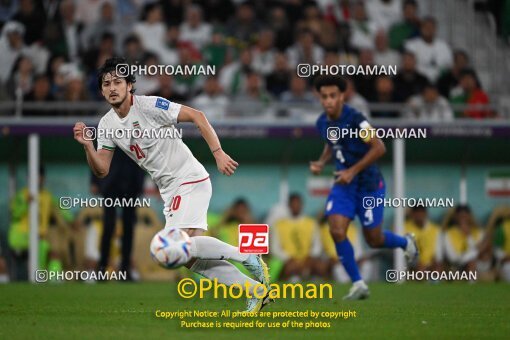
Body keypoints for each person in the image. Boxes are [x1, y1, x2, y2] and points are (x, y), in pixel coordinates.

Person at [73, 57, 270, 312]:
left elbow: (197, 115)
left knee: (179, 245)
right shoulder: (107, 125)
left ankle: (246, 256)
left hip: (189, 178)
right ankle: (254, 290)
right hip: (170, 190)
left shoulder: (149, 106)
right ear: (101, 90)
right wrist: (88, 146)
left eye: (118, 82)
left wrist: (218, 152)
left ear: (130, 85)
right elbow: (102, 169)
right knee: (187, 259)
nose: (112, 88)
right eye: (106, 84)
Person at [310, 75, 418, 300]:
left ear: (342, 96)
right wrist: (322, 161)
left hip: (369, 185)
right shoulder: (322, 123)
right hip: (343, 185)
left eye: (333, 96)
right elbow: (332, 143)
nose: (328, 100)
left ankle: (405, 242)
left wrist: (353, 170)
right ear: (318, 98)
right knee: (337, 229)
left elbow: (379, 147)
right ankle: (358, 283)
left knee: (373, 239)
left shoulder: (357, 120)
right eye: (324, 96)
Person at [90, 148, 145, 281]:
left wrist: (141, 182)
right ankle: (102, 268)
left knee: (128, 227)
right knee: (108, 226)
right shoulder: (107, 128)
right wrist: (94, 180)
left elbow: (144, 153)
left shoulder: (140, 128)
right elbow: (98, 151)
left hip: (131, 182)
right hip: (111, 182)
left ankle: (125, 271)